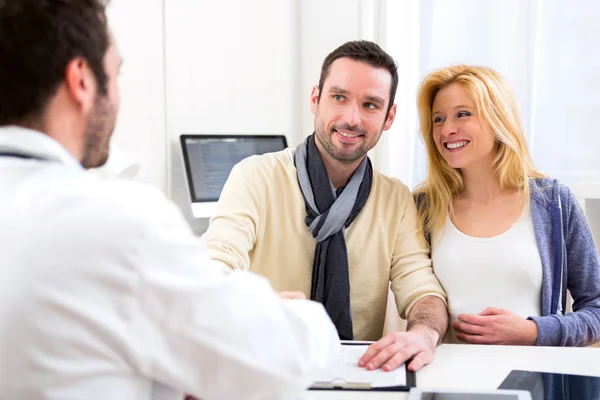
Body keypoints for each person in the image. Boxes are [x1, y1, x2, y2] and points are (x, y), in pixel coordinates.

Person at [0, 1, 341, 399]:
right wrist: (294, 314)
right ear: (82, 81)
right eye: (115, 72)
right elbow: (281, 358)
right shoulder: (119, 225)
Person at [202, 40, 448, 372]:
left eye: (371, 105)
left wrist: (424, 333)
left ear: (389, 117)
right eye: (339, 97)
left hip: (357, 374)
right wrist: (260, 306)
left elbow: (422, 288)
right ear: (316, 99)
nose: (352, 118)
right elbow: (214, 266)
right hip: (263, 368)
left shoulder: (396, 199)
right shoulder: (255, 177)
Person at [414, 65, 600, 346]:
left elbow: (596, 310)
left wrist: (533, 331)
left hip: (531, 385)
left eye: (463, 114)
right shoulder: (424, 207)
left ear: (498, 118)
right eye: (438, 119)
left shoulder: (553, 202)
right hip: (445, 385)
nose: (447, 130)